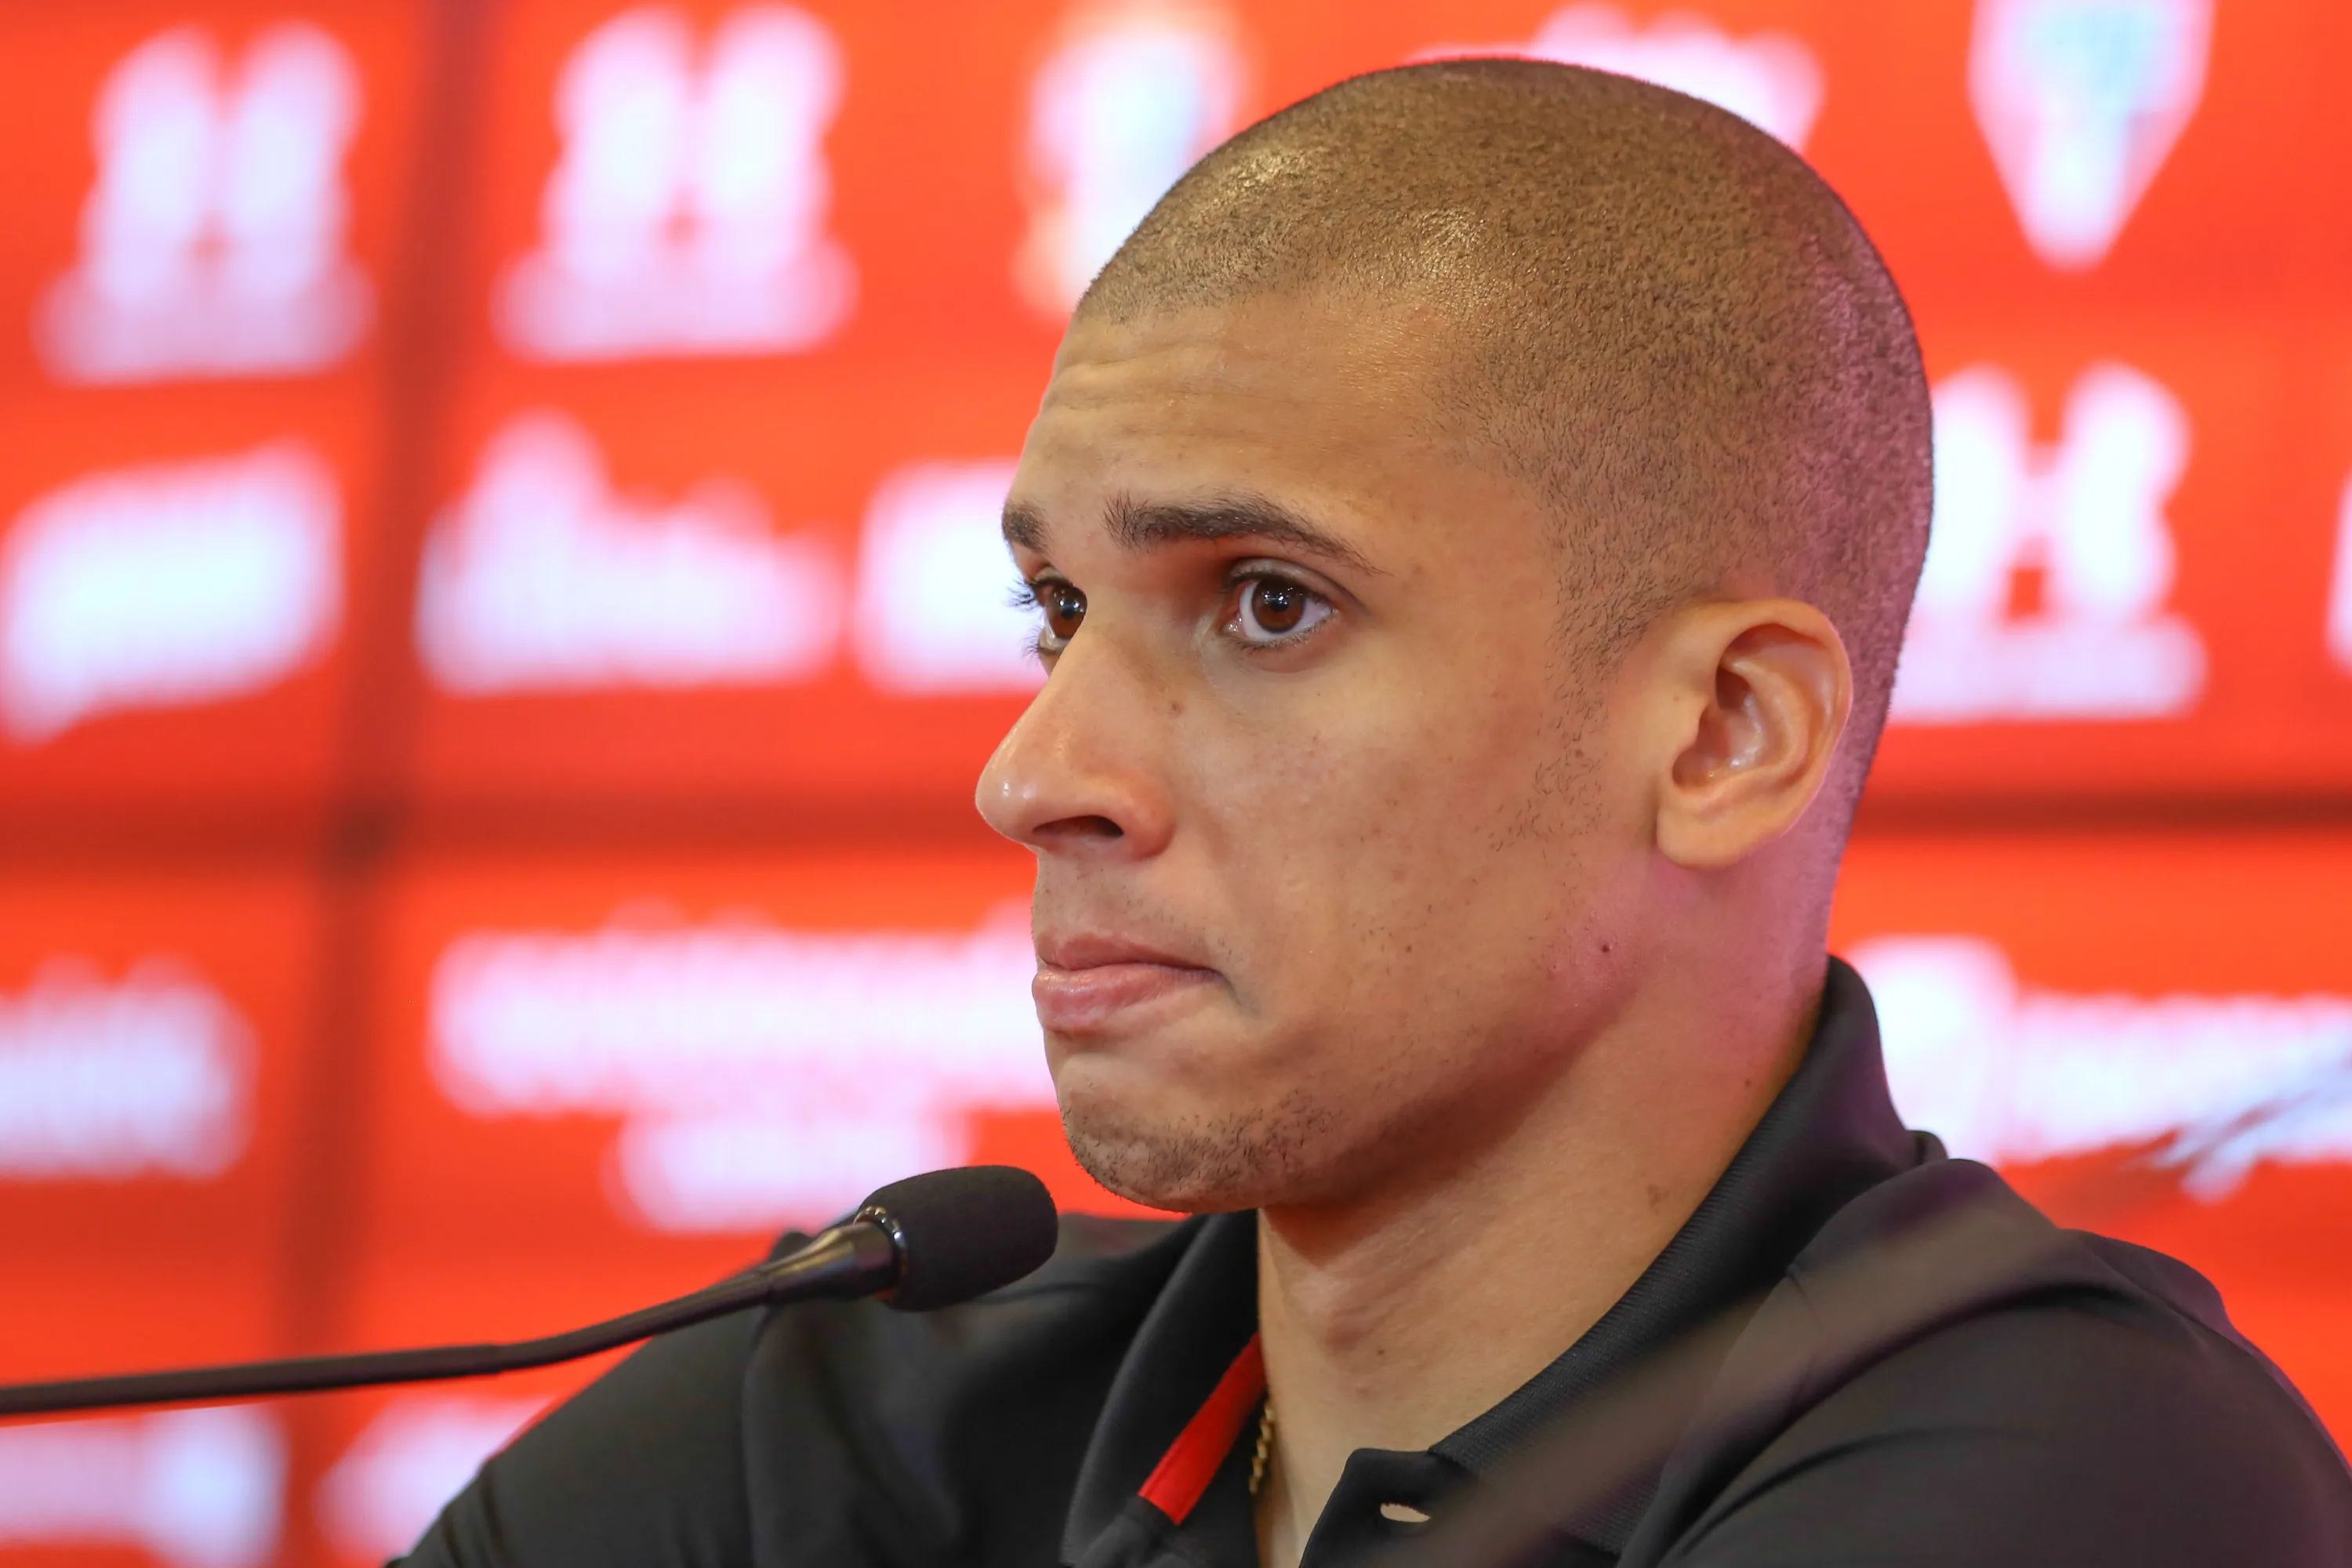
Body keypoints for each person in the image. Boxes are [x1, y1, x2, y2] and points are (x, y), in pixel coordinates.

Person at [401, 60, 2352, 1568]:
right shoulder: (839, 1406)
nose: (1036, 776)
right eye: (1056, 614)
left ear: (1725, 735)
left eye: (1268, 604)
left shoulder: (2073, 1460)